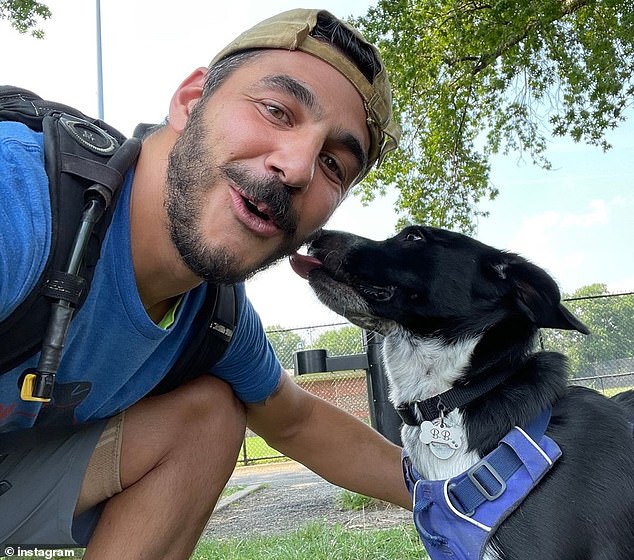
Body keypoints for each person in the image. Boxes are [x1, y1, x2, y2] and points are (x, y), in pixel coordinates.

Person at [0, 8, 407, 559]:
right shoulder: (23, 203)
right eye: (276, 111)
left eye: (334, 165)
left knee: (209, 418)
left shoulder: (212, 318)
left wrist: (461, 492)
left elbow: (300, 420)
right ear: (191, 102)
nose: (298, 168)